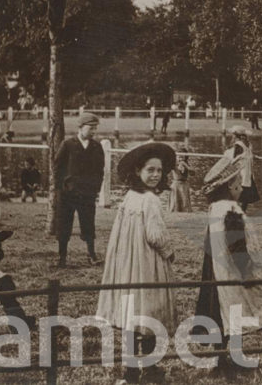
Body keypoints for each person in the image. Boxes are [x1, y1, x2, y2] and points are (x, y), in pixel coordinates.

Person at [96, 142, 177, 385]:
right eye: (150, 170)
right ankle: (150, 368)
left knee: (133, 313)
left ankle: (131, 370)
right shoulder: (150, 200)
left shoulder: (129, 197)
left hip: (127, 263)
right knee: (150, 311)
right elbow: (154, 235)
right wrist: (169, 251)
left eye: (159, 171)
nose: (155, 176)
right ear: (138, 171)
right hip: (146, 262)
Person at [195, 151, 262, 377]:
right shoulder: (231, 210)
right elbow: (237, 244)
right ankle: (232, 358)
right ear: (229, 187)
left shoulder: (215, 208)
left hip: (217, 270)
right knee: (234, 313)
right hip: (232, 272)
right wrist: (246, 271)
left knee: (221, 313)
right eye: (238, 183)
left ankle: (222, 357)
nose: (241, 187)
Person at [52, 112, 105, 267]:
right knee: (64, 225)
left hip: (87, 194)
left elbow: (100, 170)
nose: (94, 131)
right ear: (81, 128)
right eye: (91, 128)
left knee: (88, 224)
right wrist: (60, 188)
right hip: (68, 194)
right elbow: (57, 167)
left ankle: (92, 255)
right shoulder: (68, 145)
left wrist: (95, 188)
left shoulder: (96, 147)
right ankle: (62, 257)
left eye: (95, 128)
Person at [220, 126, 259, 212]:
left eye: (233, 135)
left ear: (235, 136)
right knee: (246, 193)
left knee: (238, 192)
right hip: (248, 171)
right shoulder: (247, 144)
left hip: (241, 171)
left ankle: (237, 212)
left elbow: (234, 158)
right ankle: (242, 211)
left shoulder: (238, 145)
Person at [167, 145, 192, 213]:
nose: (180, 159)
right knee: (175, 202)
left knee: (184, 201)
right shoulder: (174, 164)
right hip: (176, 185)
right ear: (176, 157)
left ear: (185, 157)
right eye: (179, 157)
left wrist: (185, 165)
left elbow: (193, 173)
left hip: (184, 185)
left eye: (182, 157)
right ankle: (174, 212)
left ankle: (185, 213)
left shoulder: (186, 164)